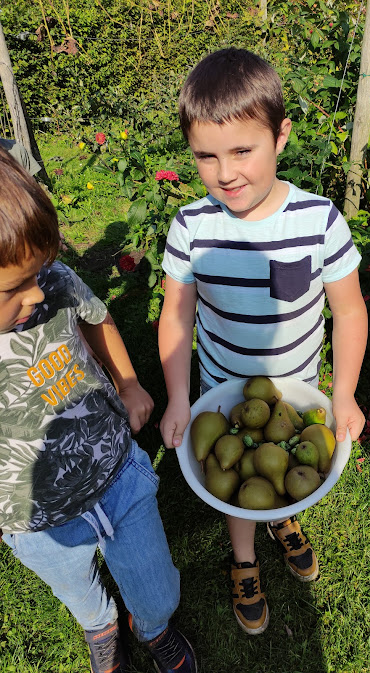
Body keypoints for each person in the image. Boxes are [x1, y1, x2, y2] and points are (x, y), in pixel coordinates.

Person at [158, 47, 368, 635]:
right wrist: (179, 398)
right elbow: (175, 314)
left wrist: (344, 393)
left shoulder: (318, 220)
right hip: (222, 391)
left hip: (298, 392)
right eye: (205, 156)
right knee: (235, 487)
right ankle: (245, 560)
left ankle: (283, 517)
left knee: (279, 472)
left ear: (281, 137)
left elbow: (349, 309)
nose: (225, 173)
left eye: (242, 151)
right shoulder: (192, 226)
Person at [0, 147, 196, 673]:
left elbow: (96, 318)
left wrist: (129, 383)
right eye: (13, 289)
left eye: (38, 272)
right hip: (32, 517)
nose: (36, 293)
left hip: (115, 472)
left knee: (156, 590)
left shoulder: (53, 282)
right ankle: (102, 626)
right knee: (76, 588)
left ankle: (152, 626)